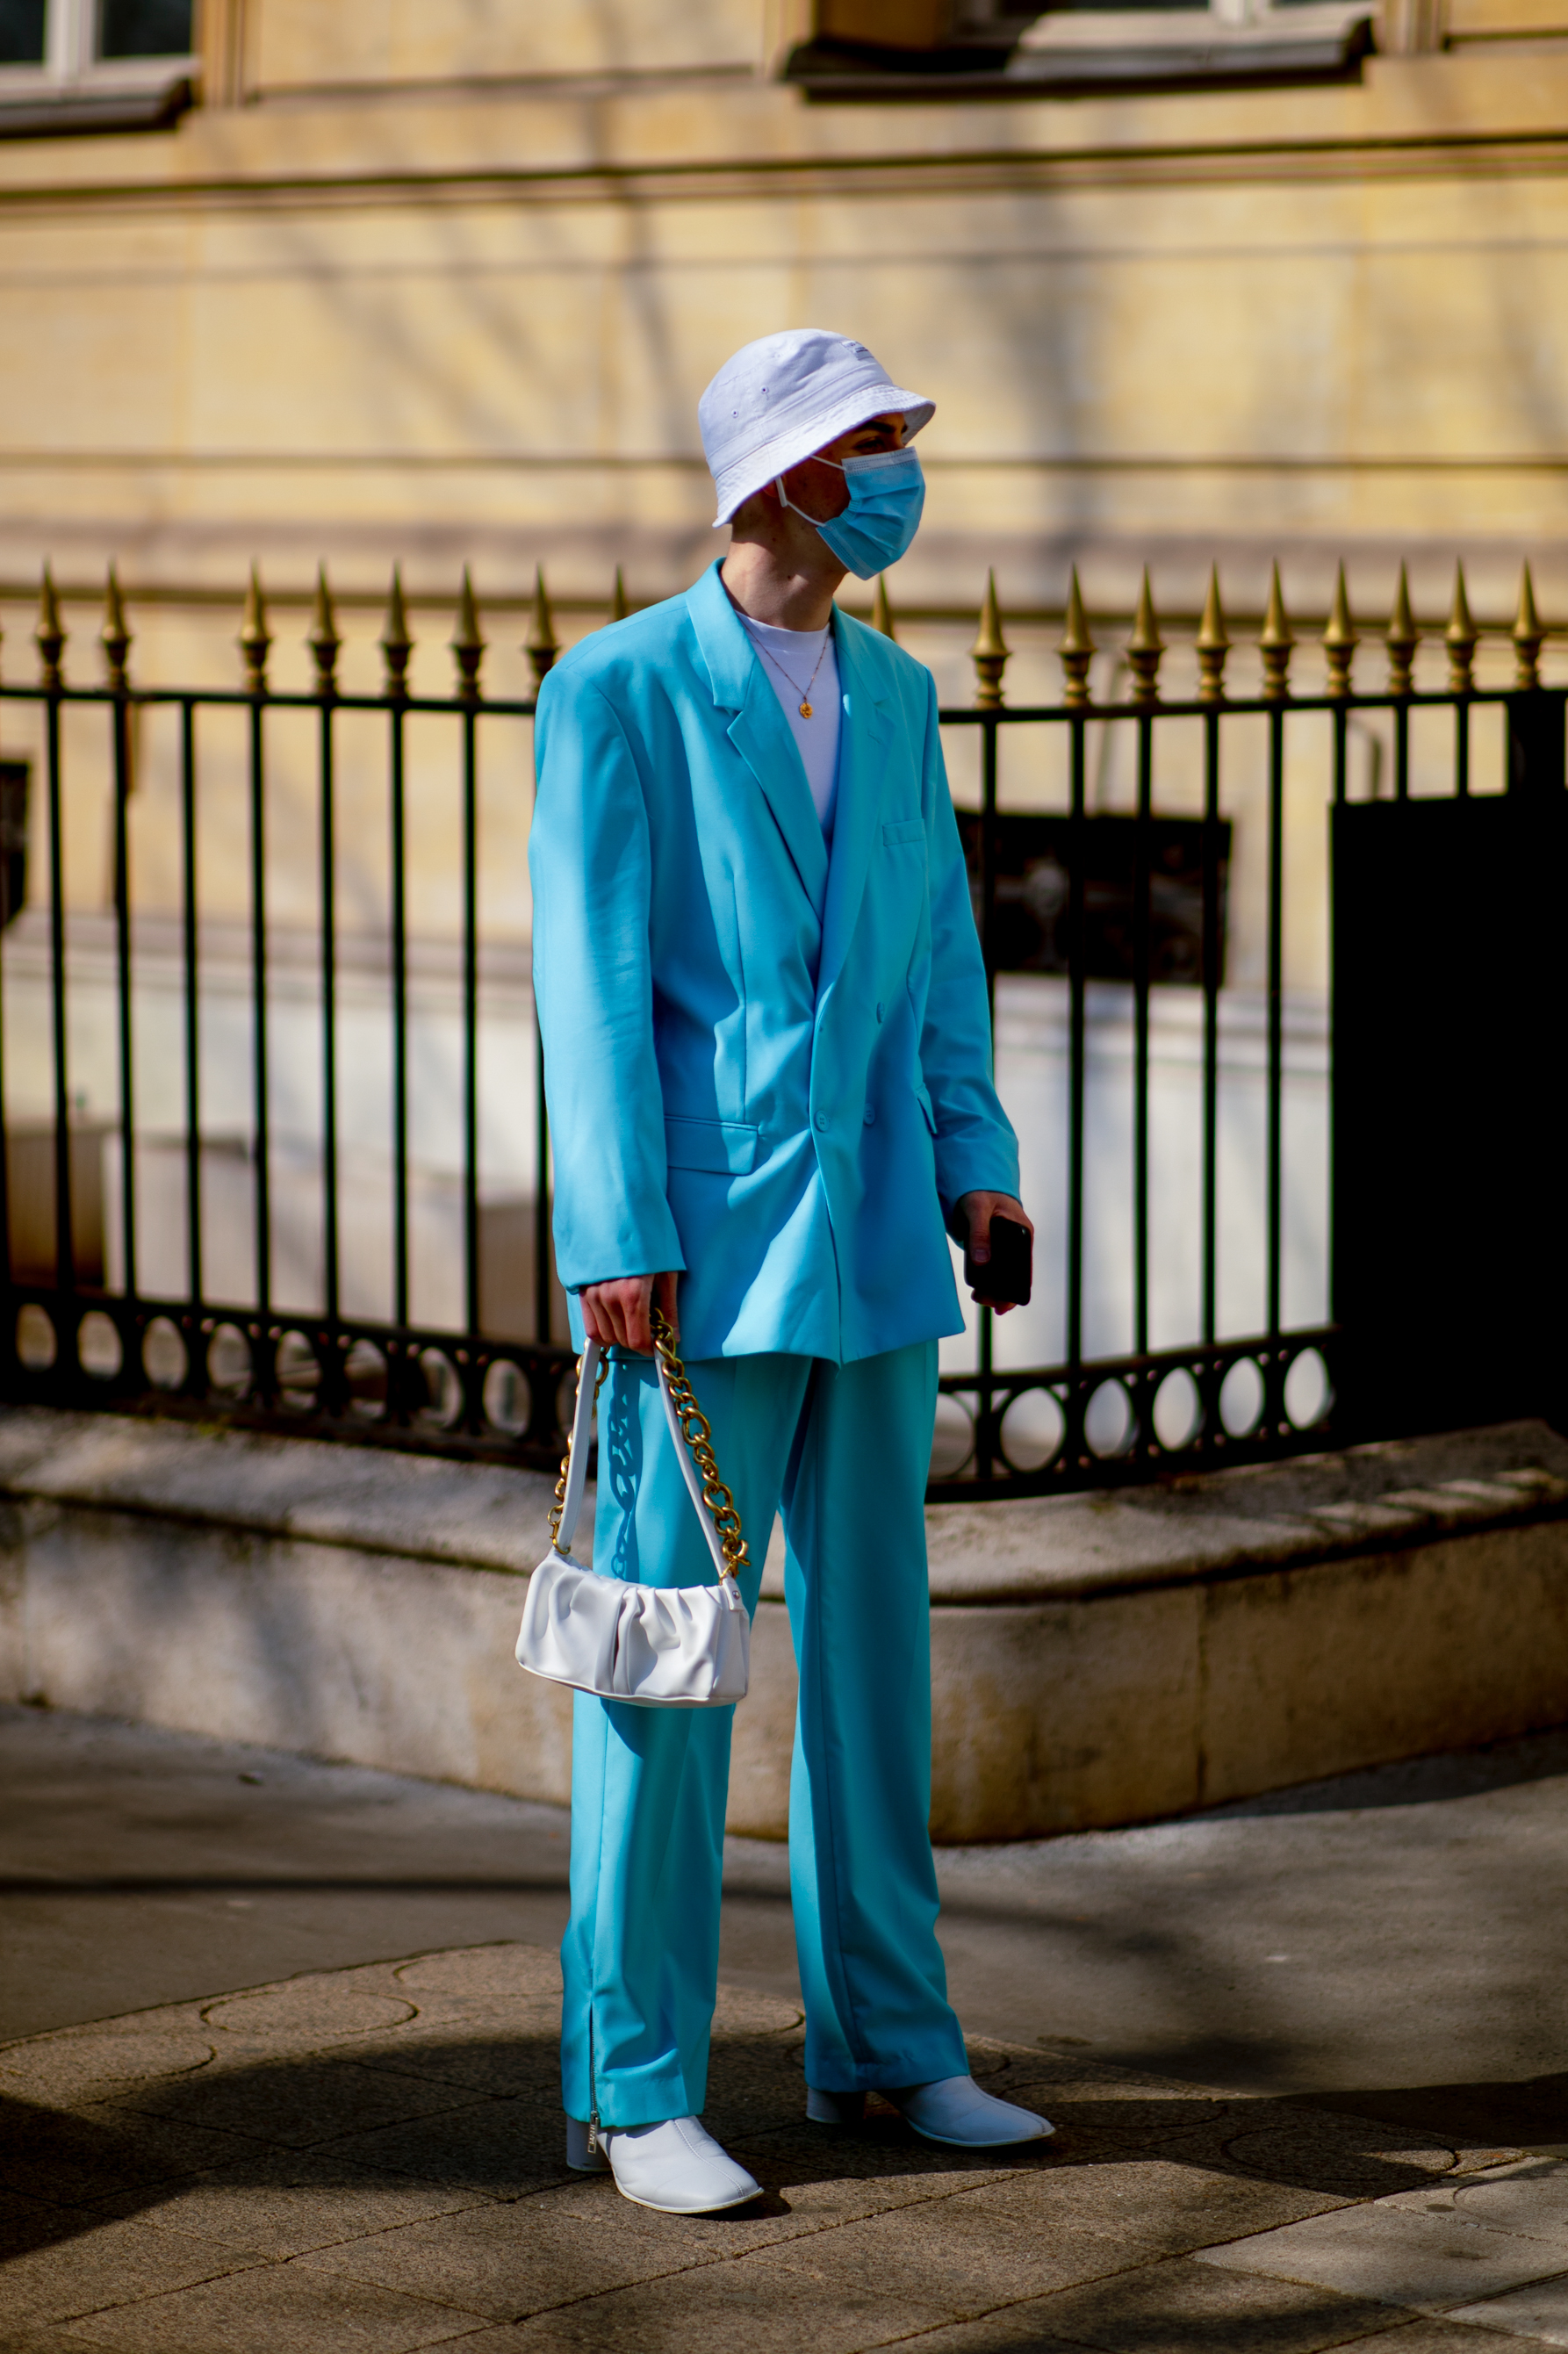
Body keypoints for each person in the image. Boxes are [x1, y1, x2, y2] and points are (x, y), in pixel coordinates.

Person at [529, 327, 1049, 2217]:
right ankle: (636, 2077)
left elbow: (940, 963)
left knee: (876, 1667)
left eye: (903, 436)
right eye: (870, 442)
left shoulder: (900, 699)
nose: (900, 469)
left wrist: (975, 1169)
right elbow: (586, 991)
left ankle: (892, 2054)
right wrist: (613, 1233)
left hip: (882, 1259)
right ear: (769, 477)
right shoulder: (617, 693)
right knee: (668, 1675)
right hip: (695, 1267)